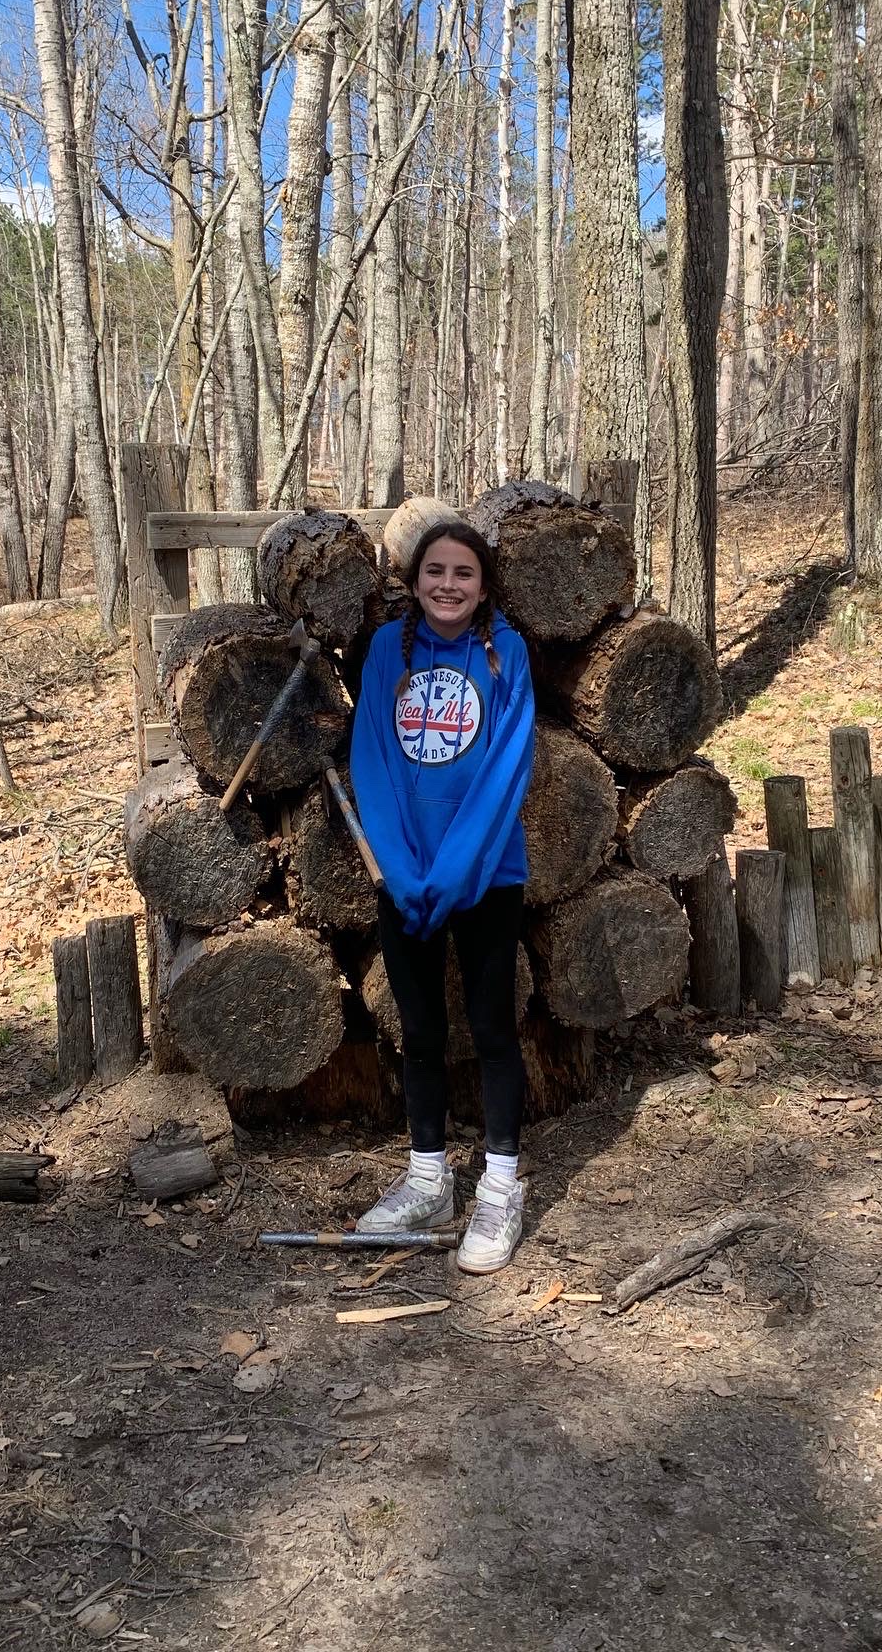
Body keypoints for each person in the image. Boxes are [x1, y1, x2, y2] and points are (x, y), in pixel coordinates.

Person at [348, 521, 535, 1273]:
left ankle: (499, 1184)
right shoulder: (387, 652)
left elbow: (503, 773)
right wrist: (400, 868)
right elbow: (373, 759)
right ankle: (429, 1178)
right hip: (407, 878)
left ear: (484, 585)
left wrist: (454, 872)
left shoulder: (508, 654)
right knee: (420, 1029)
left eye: (464, 573)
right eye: (435, 571)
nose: (448, 585)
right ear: (414, 579)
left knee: (491, 1029)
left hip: (487, 876)